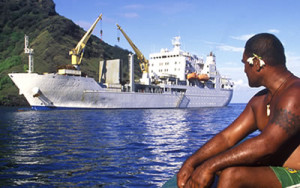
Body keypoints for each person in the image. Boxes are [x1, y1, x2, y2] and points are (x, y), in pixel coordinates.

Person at [177, 33, 300, 188]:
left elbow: (267, 144)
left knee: (232, 176)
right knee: (222, 169)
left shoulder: (295, 93)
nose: (244, 70)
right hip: (278, 169)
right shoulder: (260, 101)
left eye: (244, 63)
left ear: (256, 63)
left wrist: (209, 166)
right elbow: (227, 138)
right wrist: (191, 163)